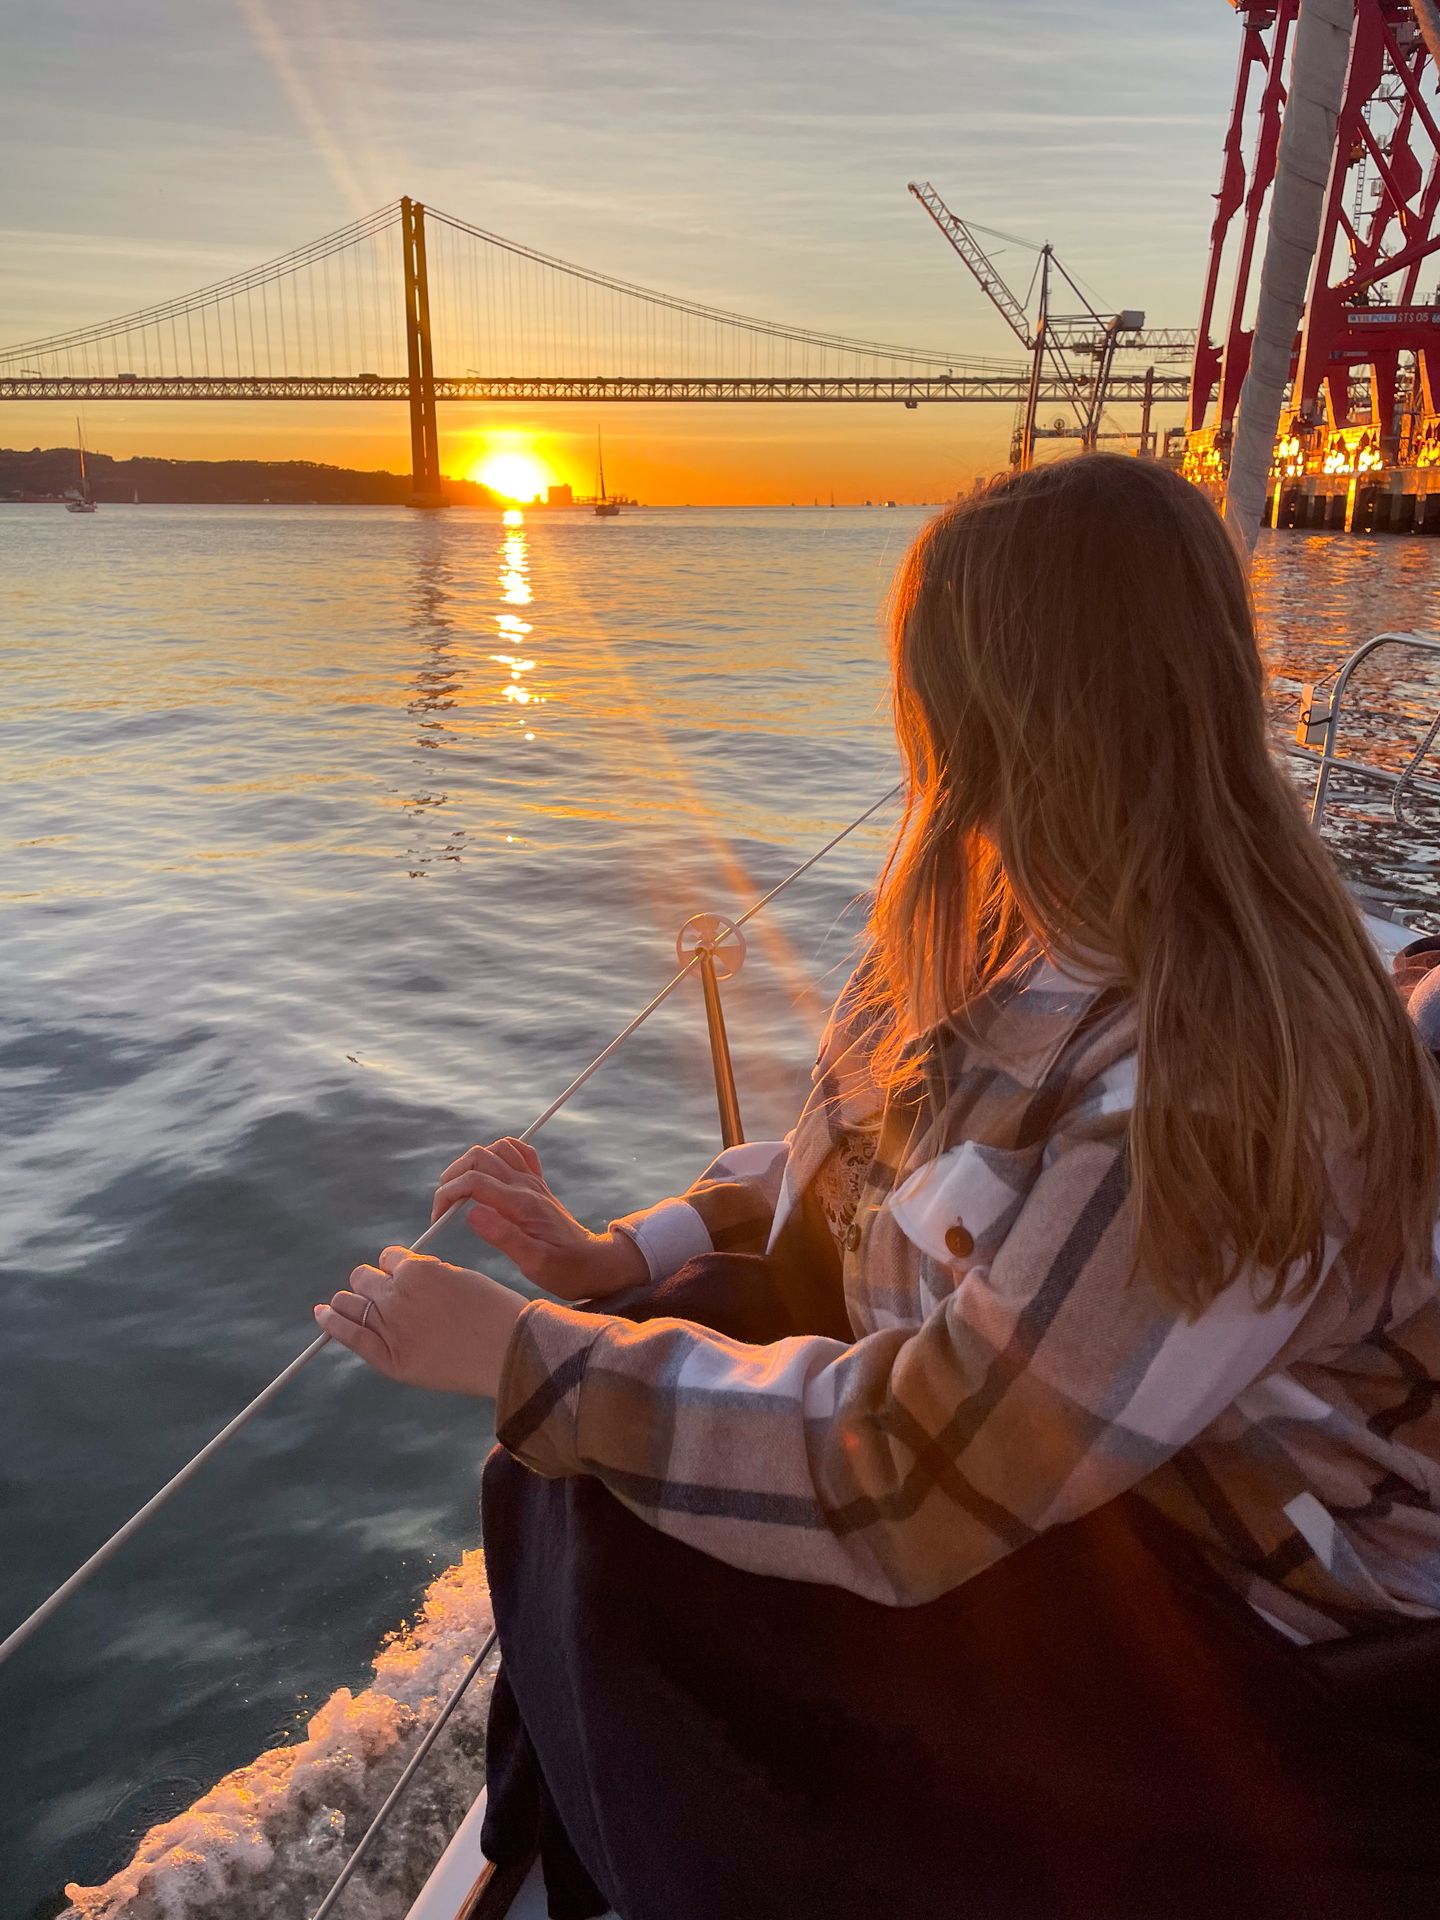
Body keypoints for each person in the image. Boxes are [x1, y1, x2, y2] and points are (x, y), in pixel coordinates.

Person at [318, 455, 1440, 1919]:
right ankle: (607, 1833)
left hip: (1267, 1641)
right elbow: (855, 1175)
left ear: (996, 710)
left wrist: (524, 1355)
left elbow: (915, 1480)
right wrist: (615, 1260)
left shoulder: (1217, 1083)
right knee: (672, 1331)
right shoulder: (1001, 915)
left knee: (613, 1507)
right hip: (1106, 1490)